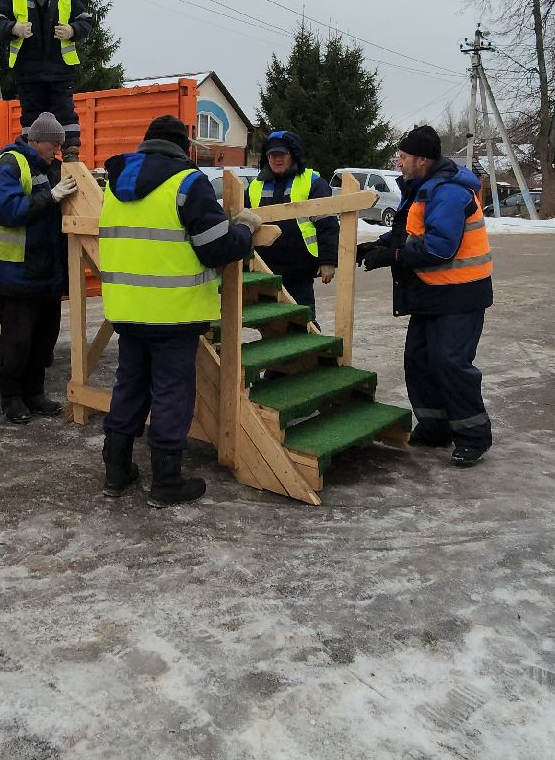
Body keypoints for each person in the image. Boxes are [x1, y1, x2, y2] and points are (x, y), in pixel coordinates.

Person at [98, 115, 258, 506]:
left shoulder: (114, 184)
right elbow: (216, 249)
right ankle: (166, 482)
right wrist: (245, 230)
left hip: (127, 310)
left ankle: (117, 472)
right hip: (174, 313)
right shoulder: (188, 183)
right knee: (171, 392)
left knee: (129, 386)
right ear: (184, 148)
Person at [360, 124, 495, 467]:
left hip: (460, 294)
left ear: (422, 160)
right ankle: (435, 427)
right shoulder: (420, 188)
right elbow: (409, 234)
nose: (399, 161)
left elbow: (440, 247)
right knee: (419, 361)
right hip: (432, 293)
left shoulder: (448, 192)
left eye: (403, 156)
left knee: (450, 362)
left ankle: (473, 436)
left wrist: (392, 256)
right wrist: (380, 245)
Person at [0, 112, 78, 425]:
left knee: (44, 338)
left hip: (46, 270)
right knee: (18, 340)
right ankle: (11, 398)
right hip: (16, 270)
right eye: (53, 144)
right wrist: (49, 197)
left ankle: (34, 394)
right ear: (36, 140)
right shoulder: (9, 164)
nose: (57, 151)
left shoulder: (51, 167)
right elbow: (6, 210)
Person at [0, 0, 93, 161]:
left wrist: (72, 30)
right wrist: (13, 28)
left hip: (60, 71)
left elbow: (86, 21)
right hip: (28, 72)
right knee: (31, 117)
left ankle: (70, 154)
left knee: (66, 114)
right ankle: (32, 156)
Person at [246, 130, 339, 322]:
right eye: (272, 155)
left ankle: (316, 353)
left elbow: (328, 224)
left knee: (303, 323)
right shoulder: (255, 186)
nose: (277, 159)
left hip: (299, 269)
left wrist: (328, 260)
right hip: (265, 271)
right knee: (271, 324)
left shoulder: (312, 182)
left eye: (282, 154)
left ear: (293, 155)